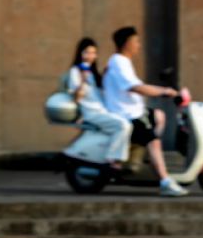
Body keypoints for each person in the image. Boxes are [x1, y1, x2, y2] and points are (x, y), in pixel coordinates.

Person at [101, 26, 187, 197]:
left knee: (159, 116)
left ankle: (144, 153)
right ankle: (164, 181)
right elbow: (135, 87)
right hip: (127, 115)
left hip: (134, 111)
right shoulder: (119, 62)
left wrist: (166, 90)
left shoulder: (122, 62)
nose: (139, 45)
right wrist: (163, 91)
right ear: (127, 43)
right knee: (154, 140)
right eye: (136, 41)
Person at [65, 38, 132, 169]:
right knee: (123, 125)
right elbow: (76, 98)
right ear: (80, 53)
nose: (90, 56)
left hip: (103, 111)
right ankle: (112, 158)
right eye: (87, 52)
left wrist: (105, 74)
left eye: (93, 53)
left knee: (128, 121)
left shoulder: (93, 73)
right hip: (91, 113)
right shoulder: (75, 71)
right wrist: (83, 81)